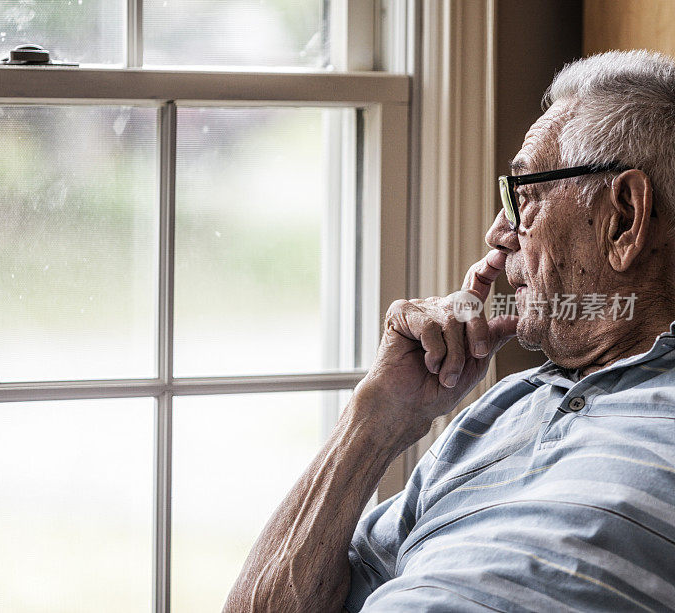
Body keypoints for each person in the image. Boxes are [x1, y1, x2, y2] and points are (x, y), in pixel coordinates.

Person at [223, 49, 675, 612]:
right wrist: (377, 419)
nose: (497, 233)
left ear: (624, 217)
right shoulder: (494, 419)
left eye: (524, 197)